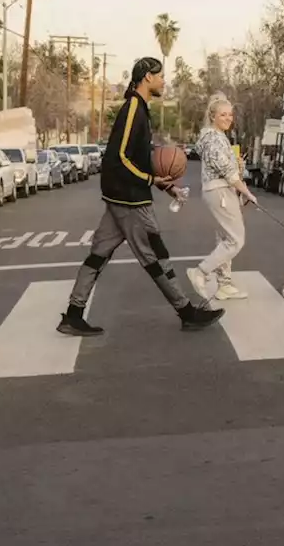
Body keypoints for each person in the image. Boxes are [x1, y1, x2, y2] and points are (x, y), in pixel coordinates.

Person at [57, 57, 225, 336]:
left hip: (122, 197)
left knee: (98, 255)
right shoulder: (133, 108)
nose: (163, 81)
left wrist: (162, 184)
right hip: (130, 200)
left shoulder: (139, 108)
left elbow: (138, 158)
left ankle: (73, 314)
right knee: (156, 257)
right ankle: (186, 312)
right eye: (160, 76)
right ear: (147, 77)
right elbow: (119, 157)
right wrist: (149, 179)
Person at [186, 93, 257, 302]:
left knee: (226, 239)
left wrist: (238, 168)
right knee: (236, 240)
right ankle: (200, 272)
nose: (228, 118)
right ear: (213, 116)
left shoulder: (217, 137)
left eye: (230, 115)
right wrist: (246, 192)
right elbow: (226, 170)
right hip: (220, 191)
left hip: (220, 190)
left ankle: (224, 284)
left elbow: (229, 168)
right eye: (223, 115)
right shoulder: (213, 138)